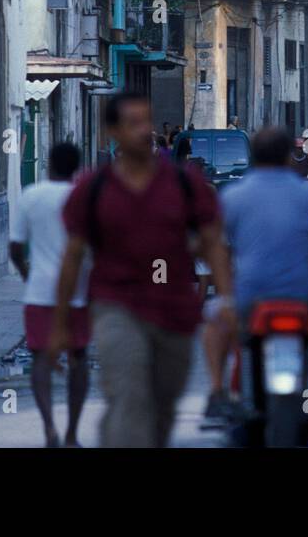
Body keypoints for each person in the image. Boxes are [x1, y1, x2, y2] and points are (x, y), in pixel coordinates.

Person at [50, 92, 234, 448]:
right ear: (113, 132)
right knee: (129, 391)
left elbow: (213, 242)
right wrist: (61, 324)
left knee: (163, 405)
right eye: (133, 124)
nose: (144, 131)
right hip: (115, 307)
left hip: (174, 311)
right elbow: (72, 257)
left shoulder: (184, 184)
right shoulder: (93, 189)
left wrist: (228, 301)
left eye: (146, 122)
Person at [221, 127, 308, 400]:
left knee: (215, 322)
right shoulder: (307, 196)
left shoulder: (233, 195)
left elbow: (217, 242)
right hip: (300, 290)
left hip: (251, 292)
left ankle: (215, 389)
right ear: (287, 157)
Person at [9, 142, 89, 448]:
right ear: (77, 167)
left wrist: (28, 276)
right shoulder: (83, 199)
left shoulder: (31, 197)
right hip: (78, 294)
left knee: (41, 359)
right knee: (78, 358)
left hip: (40, 292)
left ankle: (49, 428)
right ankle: (72, 433)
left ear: (50, 164)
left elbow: (15, 249)